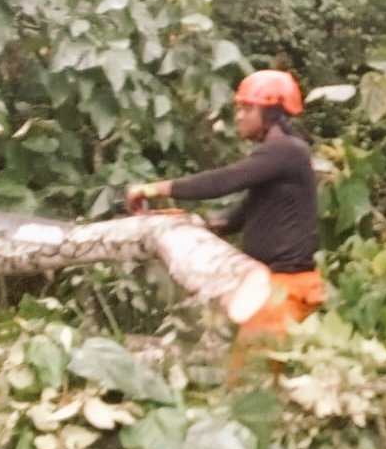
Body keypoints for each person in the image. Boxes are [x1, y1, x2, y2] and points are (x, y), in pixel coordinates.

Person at [126, 69, 324, 371]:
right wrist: (188, 222)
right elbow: (235, 218)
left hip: (286, 287)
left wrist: (154, 189)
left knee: (249, 384)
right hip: (272, 287)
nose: (239, 116)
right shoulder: (278, 161)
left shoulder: (286, 151)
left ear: (271, 112)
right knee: (261, 379)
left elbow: (222, 181)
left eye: (248, 108)